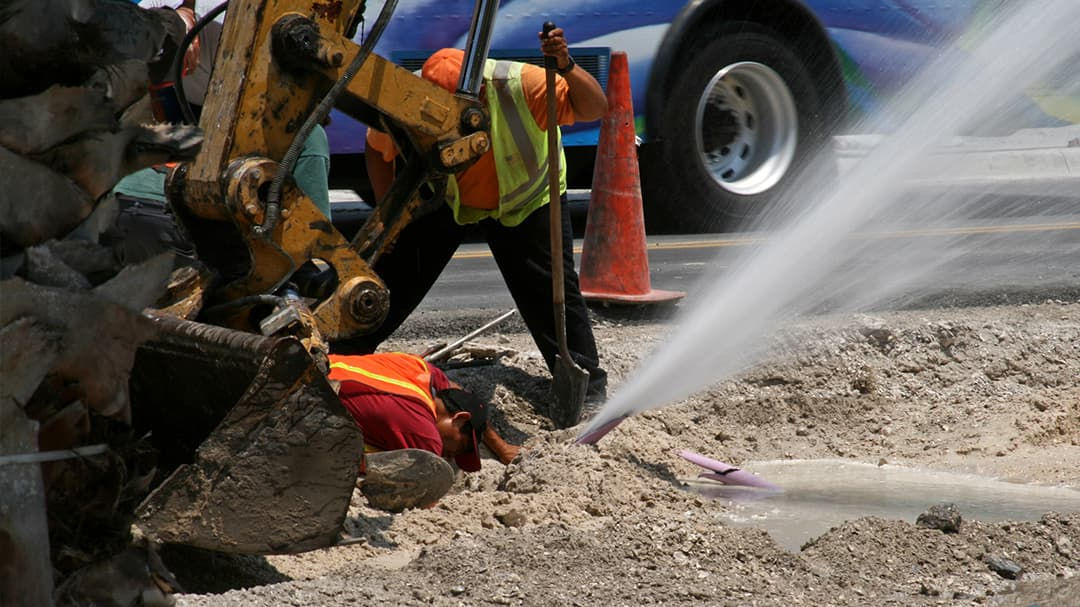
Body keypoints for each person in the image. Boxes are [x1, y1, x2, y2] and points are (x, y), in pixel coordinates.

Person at [343, 26, 610, 412]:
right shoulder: (413, 99)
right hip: (450, 204)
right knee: (396, 276)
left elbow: (594, 108)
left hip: (527, 201)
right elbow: (376, 147)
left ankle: (587, 385)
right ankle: (347, 352)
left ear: (476, 97)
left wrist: (566, 65)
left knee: (552, 291)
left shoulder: (522, 85)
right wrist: (390, 213)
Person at [328, 351, 521, 511]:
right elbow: (423, 501)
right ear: (459, 419)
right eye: (460, 447)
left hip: (312, 366)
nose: (451, 457)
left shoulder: (419, 368)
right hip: (303, 409)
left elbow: (456, 388)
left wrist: (500, 447)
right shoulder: (424, 436)